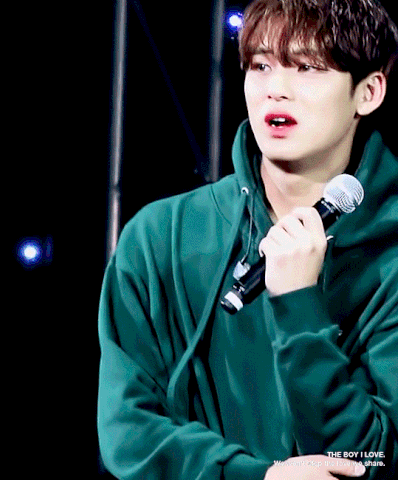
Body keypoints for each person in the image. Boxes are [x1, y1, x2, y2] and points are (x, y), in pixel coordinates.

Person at [97, 0, 398, 478]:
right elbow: (129, 431)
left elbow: (373, 459)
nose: (276, 89)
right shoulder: (160, 236)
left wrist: (299, 307)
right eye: (261, 66)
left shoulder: (391, 257)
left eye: (306, 67)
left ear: (368, 92)